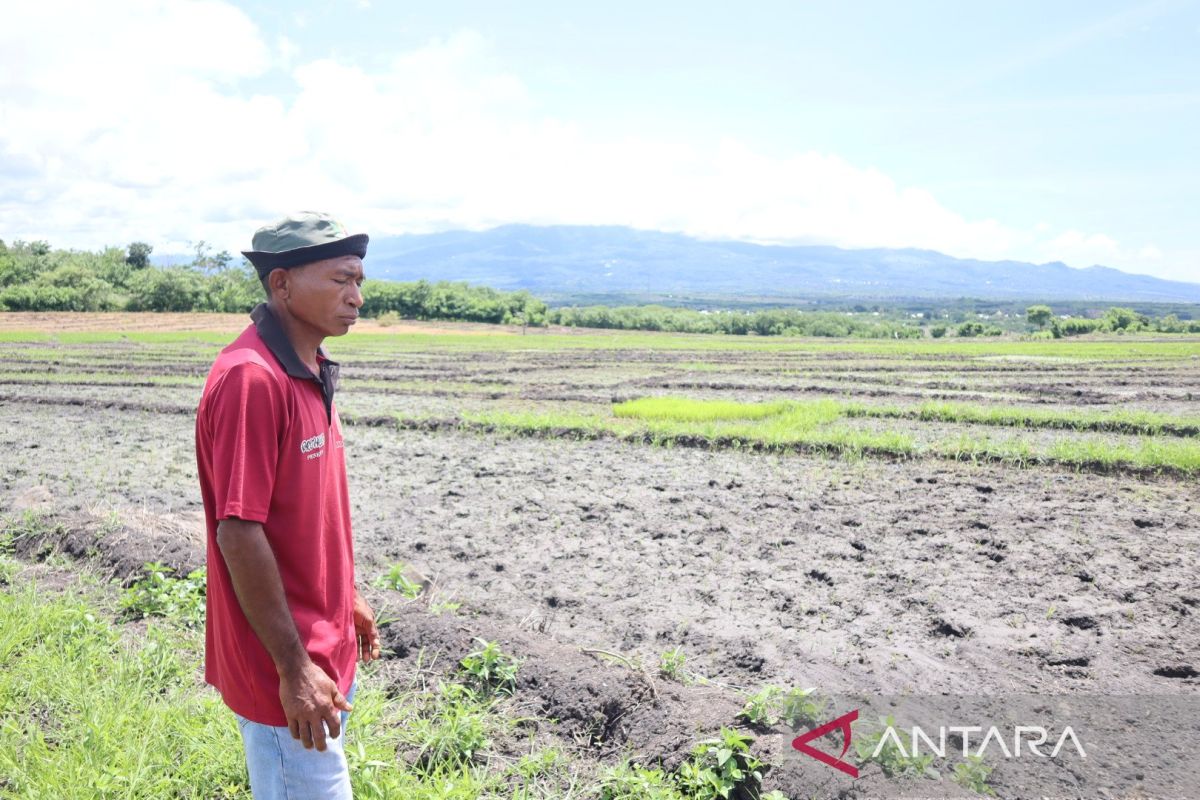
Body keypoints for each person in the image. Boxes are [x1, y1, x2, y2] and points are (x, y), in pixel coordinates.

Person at [195, 211, 381, 799]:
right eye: (339, 280)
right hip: (285, 669)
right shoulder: (253, 379)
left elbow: (309, 510)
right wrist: (295, 669)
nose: (355, 297)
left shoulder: (312, 367)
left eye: (359, 282)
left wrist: (344, 592)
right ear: (281, 283)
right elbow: (239, 532)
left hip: (321, 649)